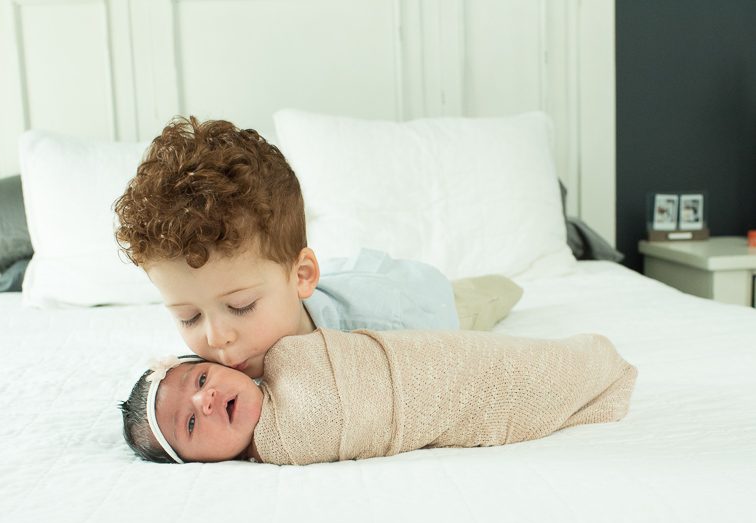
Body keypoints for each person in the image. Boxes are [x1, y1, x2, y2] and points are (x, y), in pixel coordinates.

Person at [114, 117, 519, 380]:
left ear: (301, 276)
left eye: (240, 306)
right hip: (332, 280)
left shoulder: (386, 332)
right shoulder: (228, 341)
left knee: (492, 294)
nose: (216, 337)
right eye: (188, 317)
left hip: (420, 294)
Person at [119, 327, 637, 465]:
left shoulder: (287, 356)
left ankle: (590, 364)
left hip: (427, 360)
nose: (205, 402)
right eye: (190, 425)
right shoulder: (279, 444)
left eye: (202, 381)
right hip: (436, 408)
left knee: (510, 362)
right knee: (519, 391)